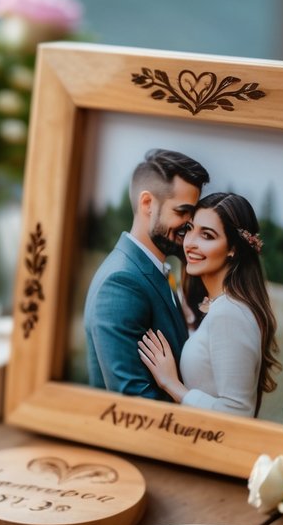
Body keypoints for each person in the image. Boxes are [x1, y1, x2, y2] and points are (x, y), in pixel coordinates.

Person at [137, 191, 281, 417]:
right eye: (189, 229)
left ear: (233, 248)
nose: (190, 243)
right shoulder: (218, 306)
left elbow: (238, 412)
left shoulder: (230, 313)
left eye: (207, 235)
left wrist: (172, 384)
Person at [83, 149, 210, 398]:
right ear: (147, 204)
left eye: (192, 215)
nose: (189, 225)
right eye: (181, 212)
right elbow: (134, 403)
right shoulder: (121, 283)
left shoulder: (154, 272)